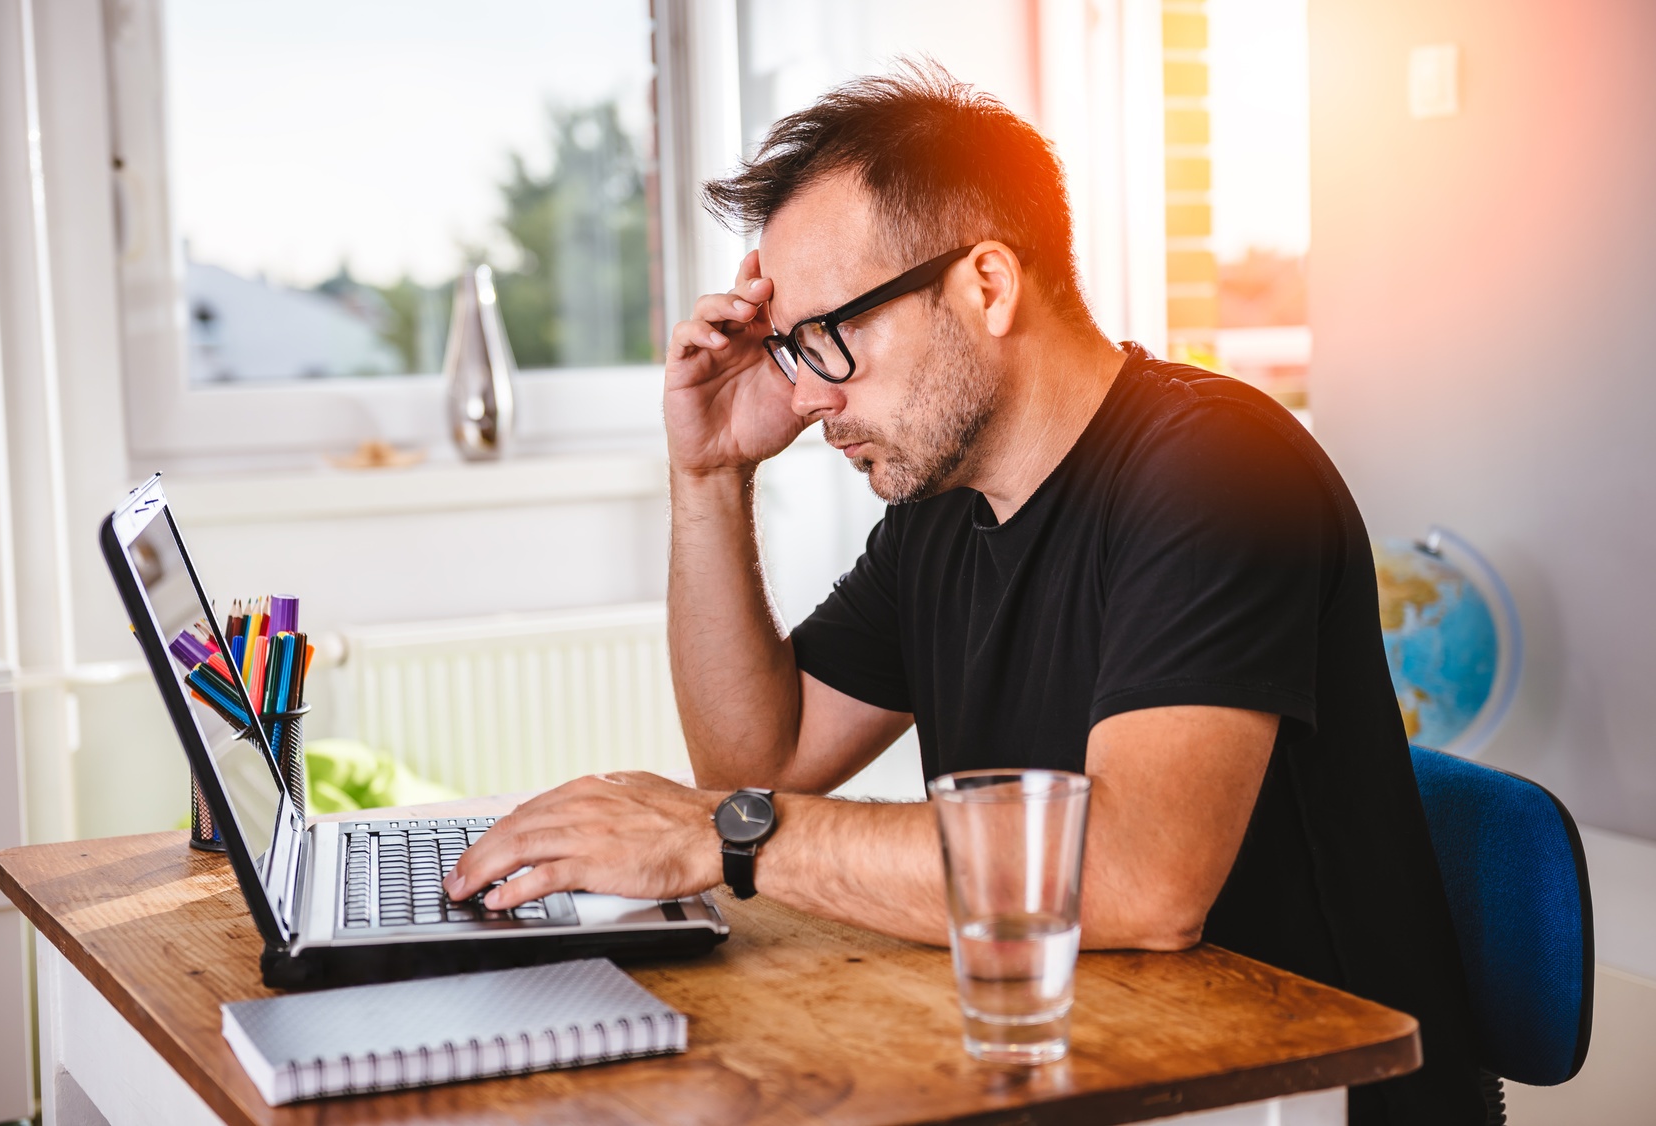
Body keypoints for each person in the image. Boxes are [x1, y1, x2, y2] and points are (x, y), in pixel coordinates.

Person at [446, 65, 1484, 1123]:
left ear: (987, 284)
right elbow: (758, 757)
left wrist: (727, 835)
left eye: (830, 335)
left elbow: (1141, 880)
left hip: (1294, 1090)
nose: (807, 396)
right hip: (1078, 1058)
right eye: (790, 347)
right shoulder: (942, 510)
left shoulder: (1218, 469)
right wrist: (710, 475)